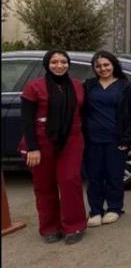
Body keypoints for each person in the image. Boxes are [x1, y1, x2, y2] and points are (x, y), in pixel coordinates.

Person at [20, 50, 86, 244]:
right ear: (47, 64)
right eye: (54, 62)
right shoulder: (34, 87)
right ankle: (50, 227)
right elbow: (26, 120)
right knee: (44, 185)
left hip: (72, 139)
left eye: (63, 62)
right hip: (42, 141)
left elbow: (83, 112)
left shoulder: (77, 86)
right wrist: (32, 147)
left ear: (68, 64)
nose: (59, 65)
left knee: (70, 181)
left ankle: (74, 225)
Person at [82, 51, 131, 227]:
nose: (103, 68)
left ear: (113, 65)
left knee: (114, 176)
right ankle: (95, 210)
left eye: (106, 65)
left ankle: (115, 208)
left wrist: (127, 139)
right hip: (92, 139)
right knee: (94, 177)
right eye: (98, 66)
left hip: (116, 139)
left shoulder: (125, 86)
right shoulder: (89, 85)